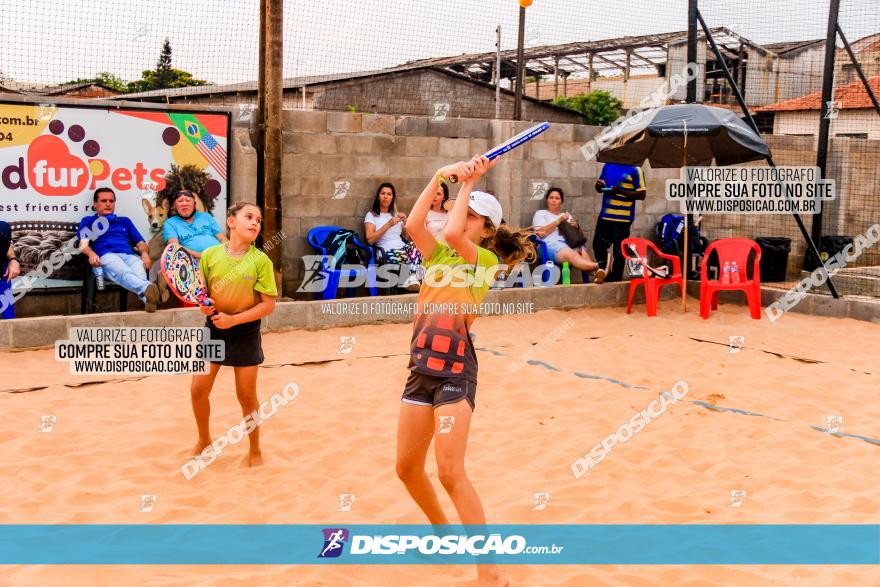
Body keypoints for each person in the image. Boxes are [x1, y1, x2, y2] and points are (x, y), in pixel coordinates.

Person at [398, 155, 533, 587]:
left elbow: (453, 230)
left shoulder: (484, 264)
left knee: (450, 471)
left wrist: (469, 180)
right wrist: (440, 174)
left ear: (487, 230)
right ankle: (442, 534)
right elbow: (414, 226)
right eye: (464, 209)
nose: (460, 217)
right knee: (405, 468)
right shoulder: (437, 254)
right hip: (421, 366)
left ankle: (490, 573)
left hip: (456, 367)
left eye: (472, 214)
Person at [190, 202, 278, 468]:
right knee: (198, 389)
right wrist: (204, 304)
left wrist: (234, 320)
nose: (255, 223)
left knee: (246, 395)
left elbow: (268, 305)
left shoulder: (261, 260)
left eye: (259, 220)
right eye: (249, 217)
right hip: (215, 328)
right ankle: (204, 439)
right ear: (231, 222)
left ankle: (255, 448)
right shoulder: (210, 255)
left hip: (245, 331)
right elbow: (202, 293)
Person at [78, 187, 161, 312]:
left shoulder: (124, 221)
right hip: (106, 256)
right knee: (124, 271)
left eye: (111, 201)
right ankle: (153, 293)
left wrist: (144, 254)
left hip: (129, 255)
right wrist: (91, 254)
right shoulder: (89, 221)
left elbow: (141, 243)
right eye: (103, 201)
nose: (108, 204)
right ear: (95, 204)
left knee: (140, 273)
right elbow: (83, 245)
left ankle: (150, 301)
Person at [532, 187, 606, 283]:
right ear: (547, 199)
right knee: (571, 253)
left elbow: (580, 238)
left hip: (569, 243)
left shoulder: (566, 215)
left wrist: (577, 227)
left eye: (557, 198)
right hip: (549, 245)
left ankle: (596, 273)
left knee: (582, 250)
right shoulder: (541, 214)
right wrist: (559, 221)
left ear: (561, 201)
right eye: (551, 197)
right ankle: (597, 267)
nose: (554, 200)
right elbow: (540, 233)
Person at [593, 163, 647, 282]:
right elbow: (599, 188)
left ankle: (616, 279)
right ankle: (603, 272)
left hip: (623, 218)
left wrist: (620, 191)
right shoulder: (607, 166)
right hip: (605, 215)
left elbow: (642, 194)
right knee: (597, 245)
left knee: (618, 251)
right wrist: (598, 185)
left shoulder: (636, 169)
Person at [364, 182, 421, 291]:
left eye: (389, 194)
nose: (385, 196)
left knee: (419, 247)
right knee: (405, 257)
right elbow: (370, 239)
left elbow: (408, 239)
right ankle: (410, 279)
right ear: (378, 196)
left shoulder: (395, 215)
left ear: (393, 198)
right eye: (383, 193)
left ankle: (411, 279)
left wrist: (406, 226)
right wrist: (388, 224)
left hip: (402, 248)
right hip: (386, 251)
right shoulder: (371, 215)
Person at [163, 189, 227, 258]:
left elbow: (222, 239)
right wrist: (202, 256)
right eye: (180, 201)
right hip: (193, 261)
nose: (184, 204)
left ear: (194, 204)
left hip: (219, 256)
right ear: (175, 206)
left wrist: (228, 252)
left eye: (188, 200)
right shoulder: (170, 223)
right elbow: (175, 247)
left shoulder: (206, 216)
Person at [0, 221, 20, 319]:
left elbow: (6, 245)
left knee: (8, 314)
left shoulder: (2, 228)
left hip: (3, 277)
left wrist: (13, 259)